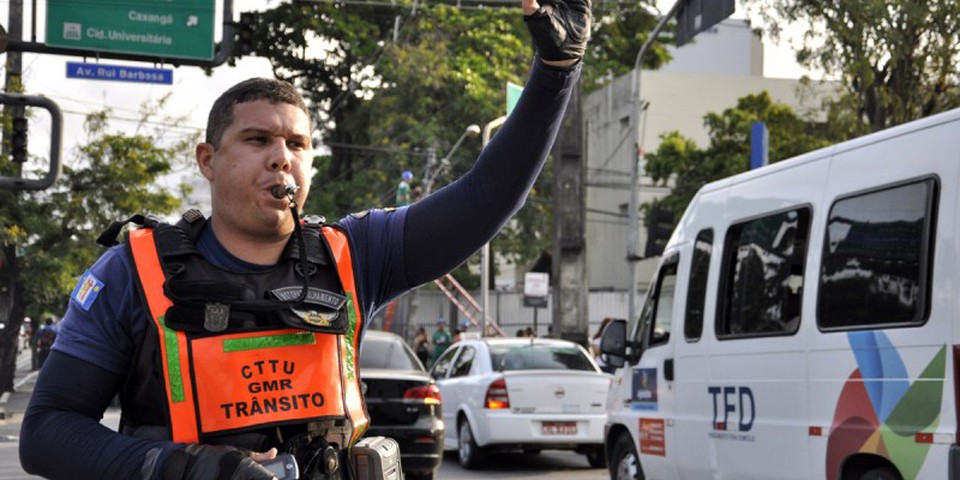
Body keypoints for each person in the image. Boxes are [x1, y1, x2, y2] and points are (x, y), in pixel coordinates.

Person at [19, 0, 590, 477]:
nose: (280, 159)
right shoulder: (131, 271)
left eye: (297, 144)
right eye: (257, 139)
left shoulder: (355, 254)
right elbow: (47, 432)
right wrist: (186, 467)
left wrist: (557, 67)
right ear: (208, 160)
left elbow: (488, 197)